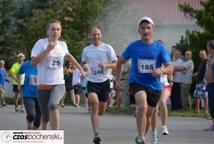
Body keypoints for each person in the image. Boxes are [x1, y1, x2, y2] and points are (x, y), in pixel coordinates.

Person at [115, 16, 172, 144]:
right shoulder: (133, 46)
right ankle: (141, 137)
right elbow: (120, 62)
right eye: (143, 28)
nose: (146, 31)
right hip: (137, 82)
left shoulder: (160, 48)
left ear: (153, 29)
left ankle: (142, 137)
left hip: (155, 86)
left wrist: (162, 71)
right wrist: (117, 79)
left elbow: (170, 67)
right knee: (142, 106)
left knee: (150, 113)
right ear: (139, 30)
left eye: (148, 28)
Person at [31, 20, 84, 130]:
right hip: (43, 85)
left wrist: (80, 68)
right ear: (47, 32)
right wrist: (48, 50)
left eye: (58, 29)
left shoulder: (63, 45)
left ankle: (55, 136)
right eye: (53, 29)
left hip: (58, 84)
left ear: (60, 32)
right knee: (45, 117)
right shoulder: (40, 43)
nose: (55, 31)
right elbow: (33, 62)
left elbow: (69, 56)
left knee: (53, 105)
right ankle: (45, 136)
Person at [81, 26, 117, 144]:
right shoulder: (86, 50)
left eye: (98, 34)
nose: (96, 36)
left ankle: (98, 112)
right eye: (93, 34)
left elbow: (116, 64)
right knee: (94, 103)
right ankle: (96, 134)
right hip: (92, 81)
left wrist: (106, 66)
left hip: (105, 81)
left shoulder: (108, 48)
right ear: (90, 36)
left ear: (101, 35)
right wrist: (85, 67)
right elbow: (83, 63)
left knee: (101, 110)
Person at [18, 60, 41, 130]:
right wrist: (19, 84)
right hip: (28, 93)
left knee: (38, 118)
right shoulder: (26, 64)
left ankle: (33, 134)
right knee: (31, 114)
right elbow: (18, 73)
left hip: (41, 94)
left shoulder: (44, 64)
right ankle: (29, 123)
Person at [204, 40, 214, 131]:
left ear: (211, 47)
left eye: (207, 46)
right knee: (211, 105)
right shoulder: (210, 57)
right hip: (210, 84)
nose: (207, 48)